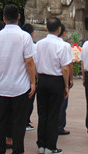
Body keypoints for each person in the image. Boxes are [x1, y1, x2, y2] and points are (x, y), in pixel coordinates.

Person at [0, 4, 36, 154]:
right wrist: (33, 81)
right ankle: (17, 150)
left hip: (3, 86)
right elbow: (29, 61)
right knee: (19, 121)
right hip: (20, 86)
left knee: (1, 120)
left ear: (3, 18)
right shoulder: (25, 36)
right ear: (18, 16)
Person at [35, 17, 72, 154]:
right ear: (59, 29)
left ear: (46, 28)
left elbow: (35, 63)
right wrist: (66, 86)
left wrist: (38, 79)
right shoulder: (61, 45)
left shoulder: (39, 44)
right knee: (53, 114)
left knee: (42, 113)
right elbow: (65, 68)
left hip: (42, 80)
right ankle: (51, 146)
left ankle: (41, 145)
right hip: (56, 81)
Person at [57, 24, 74, 136]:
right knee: (62, 103)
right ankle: (59, 126)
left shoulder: (40, 44)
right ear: (62, 32)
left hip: (44, 78)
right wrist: (70, 80)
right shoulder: (65, 46)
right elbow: (68, 65)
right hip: (60, 78)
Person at [21, 23, 37, 131]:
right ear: (31, 34)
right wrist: (34, 80)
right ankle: (25, 121)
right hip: (28, 76)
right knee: (29, 101)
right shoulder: (33, 46)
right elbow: (32, 62)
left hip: (18, 76)